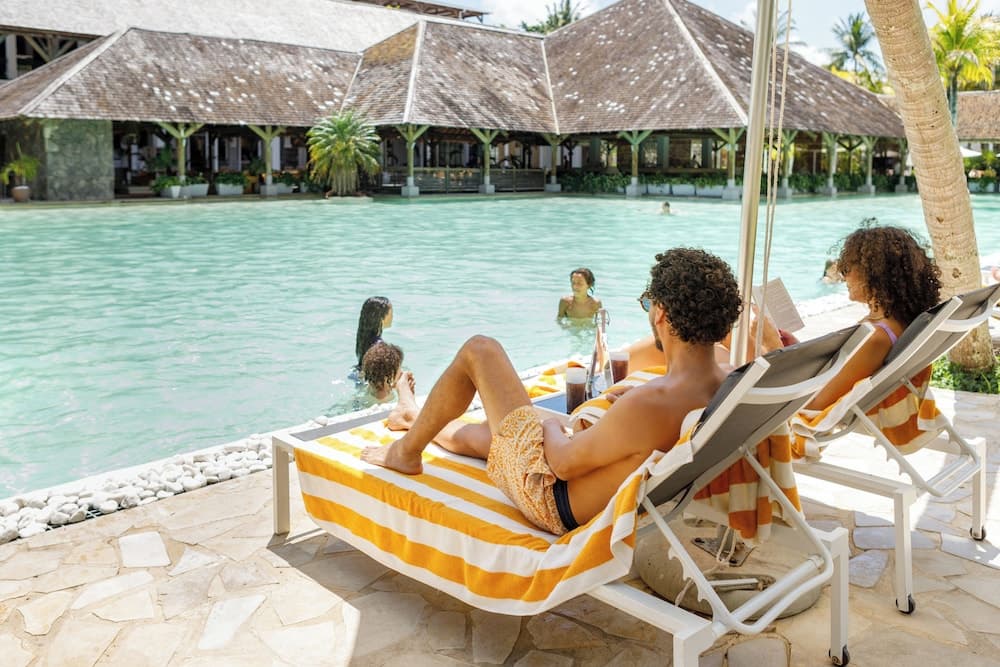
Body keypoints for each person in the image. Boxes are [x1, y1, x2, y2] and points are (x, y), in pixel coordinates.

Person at [362, 248, 742, 535]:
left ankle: (405, 452)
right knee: (494, 434)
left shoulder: (651, 403)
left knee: (480, 350)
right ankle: (412, 415)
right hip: (600, 487)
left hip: (550, 498)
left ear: (660, 313)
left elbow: (562, 464)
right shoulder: (727, 378)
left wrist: (549, 427)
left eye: (648, 304)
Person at [355, 296, 393, 368]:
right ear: (381, 317)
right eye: (391, 313)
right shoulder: (379, 348)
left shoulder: (363, 339)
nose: (392, 317)